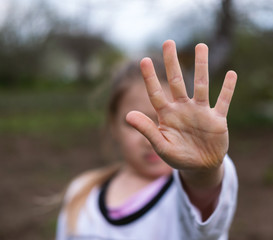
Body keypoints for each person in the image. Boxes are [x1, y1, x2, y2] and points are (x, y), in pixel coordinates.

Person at [56, 40, 238, 240]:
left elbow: (206, 197)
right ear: (113, 126)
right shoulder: (81, 192)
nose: (151, 139)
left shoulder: (185, 196)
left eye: (165, 123)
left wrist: (204, 170)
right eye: (135, 124)